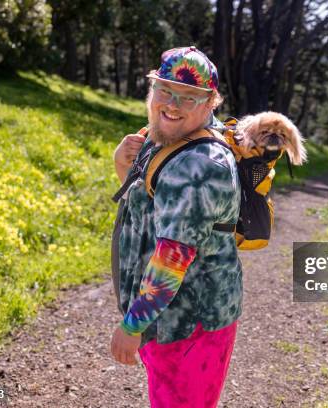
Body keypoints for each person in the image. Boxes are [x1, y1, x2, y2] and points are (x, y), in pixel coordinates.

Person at [110, 46, 242, 408]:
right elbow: (146, 215)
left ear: (210, 104)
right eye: (165, 90)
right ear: (151, 89)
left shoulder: (199, 166)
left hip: (189, 326)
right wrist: (124, 167)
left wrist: (132, 326)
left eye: (189, 97)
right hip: (169, 320)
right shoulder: (166, 141)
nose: (173, 104)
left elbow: (171, 260)